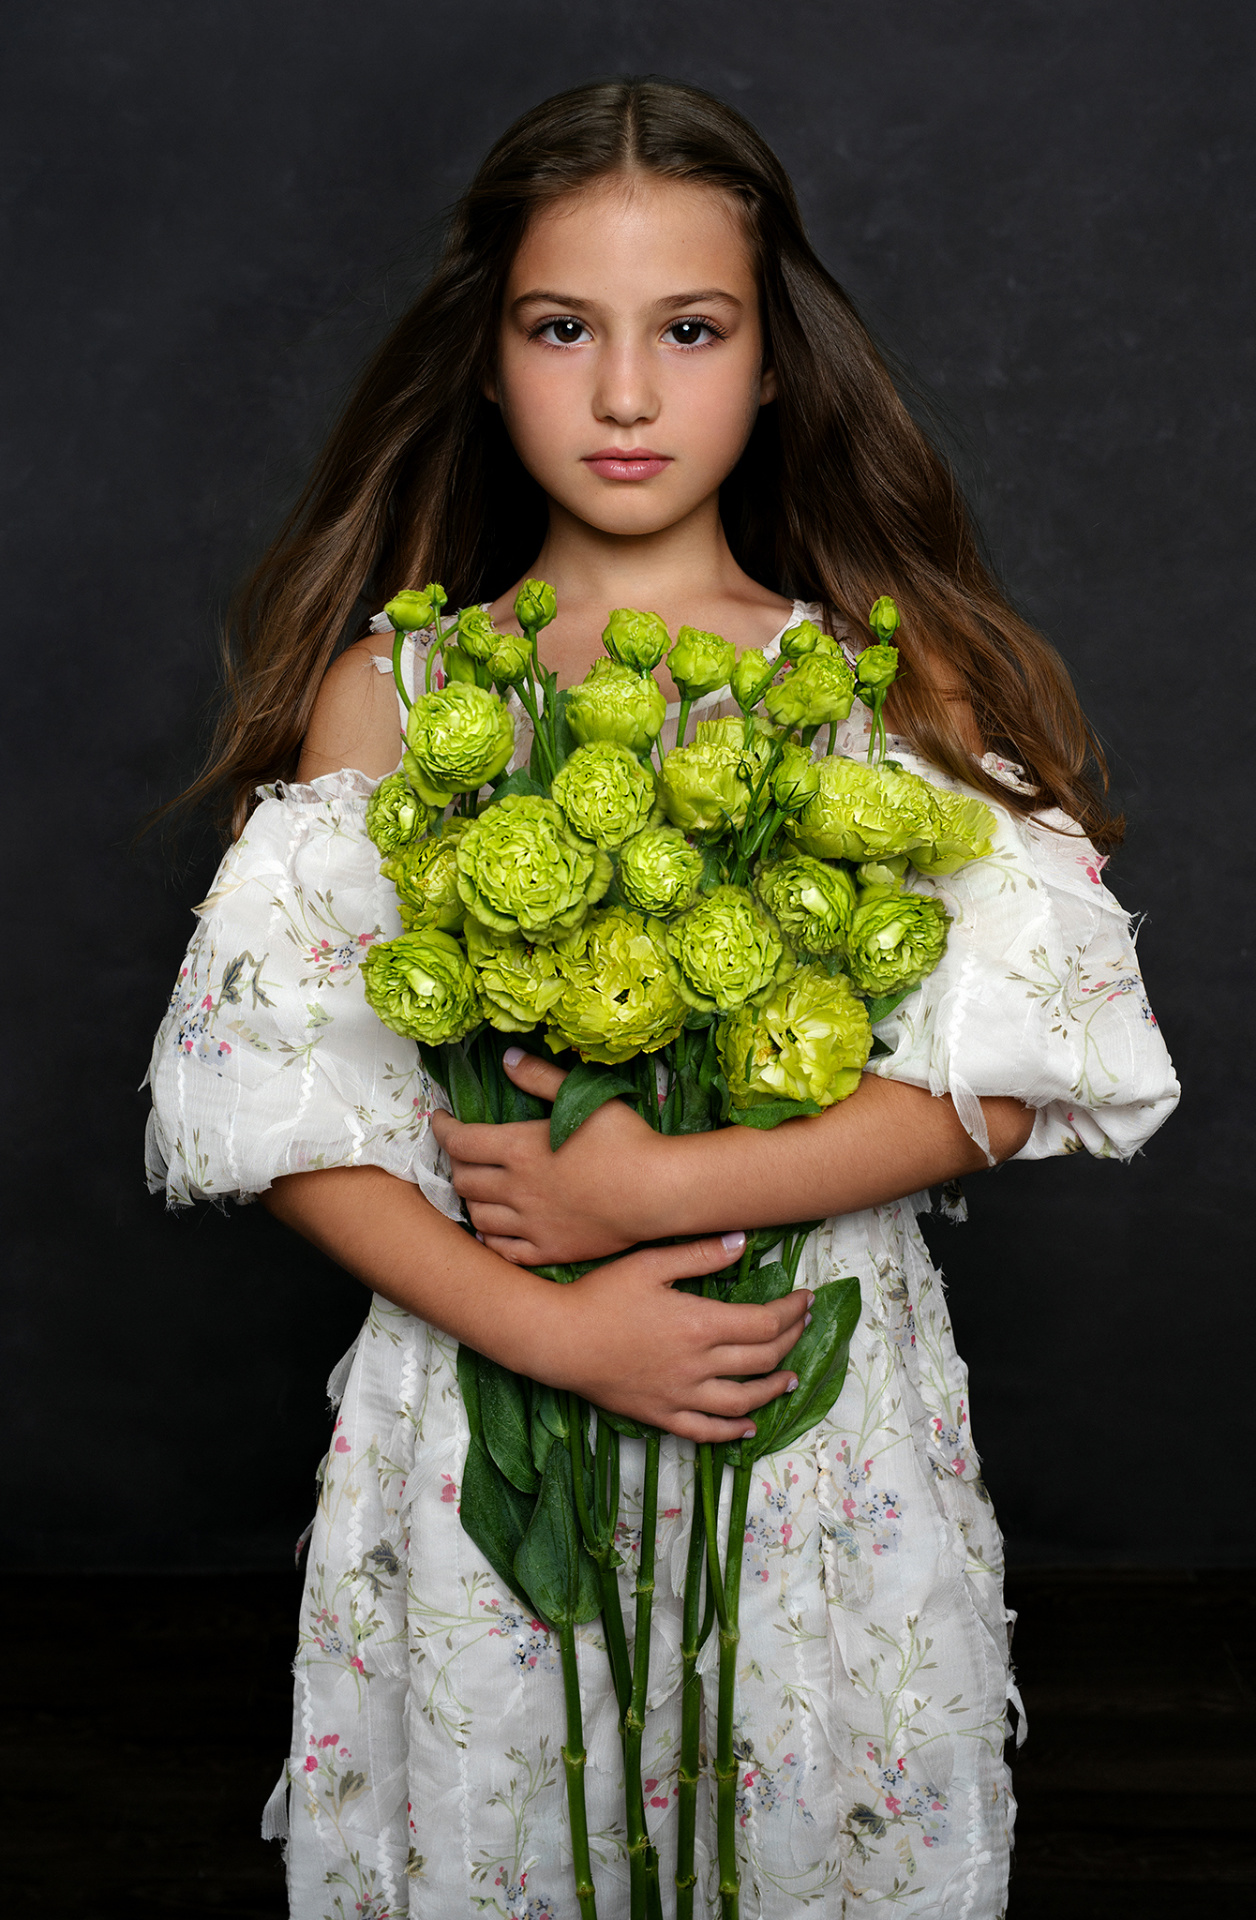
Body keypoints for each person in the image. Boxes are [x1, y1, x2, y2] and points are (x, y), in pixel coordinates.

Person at [146, 78, 1178, 1920]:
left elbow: (1023, 1069)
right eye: (565, 329)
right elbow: (273, 1104)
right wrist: (543, 1327)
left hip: (792, 1404)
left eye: (689, 331)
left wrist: (659, 1194)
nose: (626, 393)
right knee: (525, 1821)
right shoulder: (403, 692)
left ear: (776, 362)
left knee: (797, 1822)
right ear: (488, 354)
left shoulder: (884, 675)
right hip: (496, 1405)